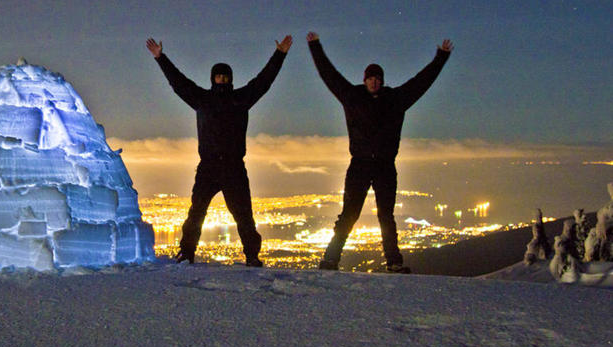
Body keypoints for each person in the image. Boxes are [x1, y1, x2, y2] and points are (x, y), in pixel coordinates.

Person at [306, 31, 453, 273]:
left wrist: (441, 57)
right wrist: (315, 47)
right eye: (370, 78)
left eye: (377, 78)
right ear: (364, 80)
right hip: (360, 165)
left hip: (385, 166)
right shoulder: (352, 97)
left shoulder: (396, 99)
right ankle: (331, 259)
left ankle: (394, 262)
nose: (374, 81)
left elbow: (421, 82)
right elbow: (329, 75)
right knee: (349, 214)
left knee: (386, 216)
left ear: (382, 81)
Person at [146, 35, 292, 267]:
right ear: (213, 78)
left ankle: (252, 257)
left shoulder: (241, 99)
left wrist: (280, 55)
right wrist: (160, 58)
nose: (222, 80)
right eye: (218, 76)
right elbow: (179, 83)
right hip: (209, 166)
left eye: (225, 77)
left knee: (244, 215)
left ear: (230, 79)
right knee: (196, 213)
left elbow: (264, 81)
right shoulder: (202, 99)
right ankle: (186, 253)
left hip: (234, 166)